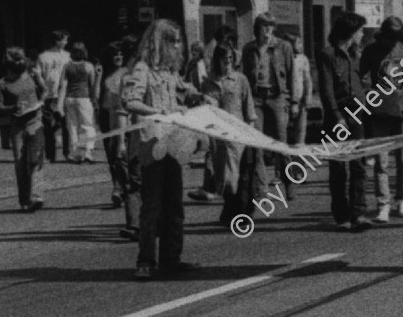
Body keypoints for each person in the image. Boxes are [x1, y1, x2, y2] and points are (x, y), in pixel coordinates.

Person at [121, 19, 204, 280]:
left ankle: (171, 259)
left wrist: (199, 97)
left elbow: (182, 92)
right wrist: (157, 111)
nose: (178, 47)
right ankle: (145, 261)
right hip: (151, 145)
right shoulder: (143, 69)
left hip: (172, 145)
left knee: (174, 205)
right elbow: (130, 101)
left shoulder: (169, 72)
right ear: (161, 43)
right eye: (174, 42)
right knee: (152, 206)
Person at [360, 16, 403, 222]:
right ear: (383, 36)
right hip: (379, 113)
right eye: (389, 38)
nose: (392, 43)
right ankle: (383, 204)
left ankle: (402, 201)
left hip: (402, 111)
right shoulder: (371, 50)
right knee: (381, 161)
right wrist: (368, 98)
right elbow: (362, 77)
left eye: (396, 38)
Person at [316, 13, 371, 231]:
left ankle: (359, 213)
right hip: (336, 115)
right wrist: (337, 117)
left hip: (356, 113)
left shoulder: (355, 54)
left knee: (358, 164)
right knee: (339, 166)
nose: (362, 34)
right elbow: (326, 89)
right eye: (359, 31)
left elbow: (361, 82)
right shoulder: (327, 55)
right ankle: (342, 216)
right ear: (350, 32)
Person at [242, 15, 296, 201]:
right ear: (257, 27)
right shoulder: (249, 48)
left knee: (281, 143)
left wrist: (293, 101)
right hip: (256, 98)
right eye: (264, 25)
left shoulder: (283, 46)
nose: (268, 29)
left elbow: (291, 73)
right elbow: (245, 77)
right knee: (257, 144)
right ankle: (261, 187)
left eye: (271, 26)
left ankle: (288, 182)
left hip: (278, 96)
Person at [207, 42, 259, 227]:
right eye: (223, 59)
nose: (227, 63)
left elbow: (249, 106)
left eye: (230, 58)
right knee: (226, 176)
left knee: (242, 176)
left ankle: (242, 213)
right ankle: (229, 210)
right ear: (217, 61)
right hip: (220, 138)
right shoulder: (210, 82)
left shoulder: (240, 80)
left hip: (240, 136)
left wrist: (251, 131)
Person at [0, 47, 47, 212]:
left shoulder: (31, 75)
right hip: (17, 126)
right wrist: (12, 107)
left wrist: (41, 101)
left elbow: (44, 91)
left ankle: (36, 196)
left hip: (35, 122)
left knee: (36, 159)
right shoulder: (2, 83)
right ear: (10, 65)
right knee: (20, 162)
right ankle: (24, 200)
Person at [100, 43, 139, 238]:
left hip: (134, 132)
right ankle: (136, 224)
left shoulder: (129, 77)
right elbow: (115, 109)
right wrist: (119, 139)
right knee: (131, 179)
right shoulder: (115, 78)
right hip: (122, 130)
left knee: (134, 181)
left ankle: (139, 223)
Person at [59, 41, 100, 164]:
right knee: (87, 125)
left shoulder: (66, 66)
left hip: (69, 98)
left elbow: (62, 85)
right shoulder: (88, 66)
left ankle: (75, 153)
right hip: (84, 98)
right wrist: (95, 100)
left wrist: (60, 103)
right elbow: (92, 85)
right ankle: (88, 152)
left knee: (72, 126)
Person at [37, 30, 72, 163]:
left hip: (64, 93)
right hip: (49, 95)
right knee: (48, 125)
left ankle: (67, 152)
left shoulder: (68, 56)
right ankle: (50, 154)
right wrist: (44, 87)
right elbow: (38, 73)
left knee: (66, 124)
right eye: (64, 40)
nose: (66, 42)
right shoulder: (43, 56)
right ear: (57, 41)